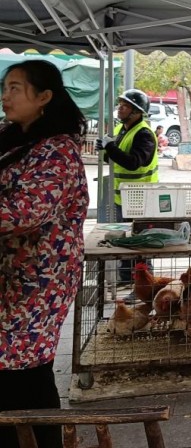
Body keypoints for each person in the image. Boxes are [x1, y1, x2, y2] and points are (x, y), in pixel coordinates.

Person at [0, 60, 89, 448]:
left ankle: (37, 438)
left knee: (22, 369)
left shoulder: (58, 151)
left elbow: (26, 211)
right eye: (5, 87)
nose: (6, 96)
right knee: (19, 369)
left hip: (37, 281)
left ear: (44, 98)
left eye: (15, 88)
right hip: (13, 276)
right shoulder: (17, 139)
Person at [95, 88, 158, 293]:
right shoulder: (124, 129)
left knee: (141, 244)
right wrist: (105, 150)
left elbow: (133, 163)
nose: (120, 108)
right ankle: (125, 278)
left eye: (125, 106)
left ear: (137, 112)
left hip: (141, 198)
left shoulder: (144, 134)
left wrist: (110, 148)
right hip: (124, 197)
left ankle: (145, 286)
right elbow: (117, 159)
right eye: (120, 104)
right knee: (125, 242)